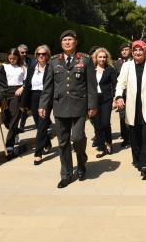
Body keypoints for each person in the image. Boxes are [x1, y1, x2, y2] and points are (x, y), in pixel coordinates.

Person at [39, 30, 97, 188]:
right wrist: (43, 104)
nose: (67, 42)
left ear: (75, 42)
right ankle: (66, 174)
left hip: (79, 106)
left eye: (70, 39)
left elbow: (92, 86)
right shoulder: (53, 62)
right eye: (64, 40)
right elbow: (48, 86)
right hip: (60, 107)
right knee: (63, 142)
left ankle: (81, 160)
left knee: (77, 138)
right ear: (61, 43)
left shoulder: (85, 60)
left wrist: (92, 105)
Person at [114, 40, 146, 180]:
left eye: (140, 50)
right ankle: (138, 158)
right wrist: (119, 97)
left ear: (145, 51)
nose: (137, 53)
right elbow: (120, 83)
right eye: (135, 50)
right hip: (132, 107)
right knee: (135, 137)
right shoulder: (126, 66)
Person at [20, 45, 53, 165]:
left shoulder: (50, 68)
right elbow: (27, 85)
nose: (41, 56)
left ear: (47, 56)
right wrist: (23, 103)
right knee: (39, 125)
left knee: (43, 124)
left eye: (43, 54)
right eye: (39, 54)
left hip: (46, 98)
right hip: (34, 97)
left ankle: (38, 153)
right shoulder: (32, 67)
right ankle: (47, 142)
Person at [92, 47, 118, 158]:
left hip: (106, 99)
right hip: (94, 99)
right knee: (97, 125)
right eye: (100, 57)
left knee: (105, 124)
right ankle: (101, 148)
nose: (102, 59)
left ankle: (109, 143)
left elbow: (114, 85)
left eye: (104, 57)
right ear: (96, 58)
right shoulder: (91, 69)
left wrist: (114, 99)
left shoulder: (110, 70)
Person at [2, 48, 27, 159]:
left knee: (14, 117)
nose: (12, 60)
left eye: (14, 58)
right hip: (4, 92)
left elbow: (27, 82)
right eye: (10, 58)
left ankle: (9, 143)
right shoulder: (3, 66)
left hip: (16, 92)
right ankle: (15, 131)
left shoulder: (22, 68)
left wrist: (22, 88)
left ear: (18, 58)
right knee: (5, 118)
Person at [114, 42, 132, 148]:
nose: (124, 51)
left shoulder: (135, 62)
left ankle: (134, 137)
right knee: (122, 116)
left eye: (126, 49)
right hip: (122, 95)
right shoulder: (117, 64)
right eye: (123, 50)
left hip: (133, 93)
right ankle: (126, 137)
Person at [17, 44, 31, 133]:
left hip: (27, 86)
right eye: (22, 52)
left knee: (24, 107)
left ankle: (22, 125)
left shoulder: (30, 61)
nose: (24, 54)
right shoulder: (15, 61)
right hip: (16, 86)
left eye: (26, 52)